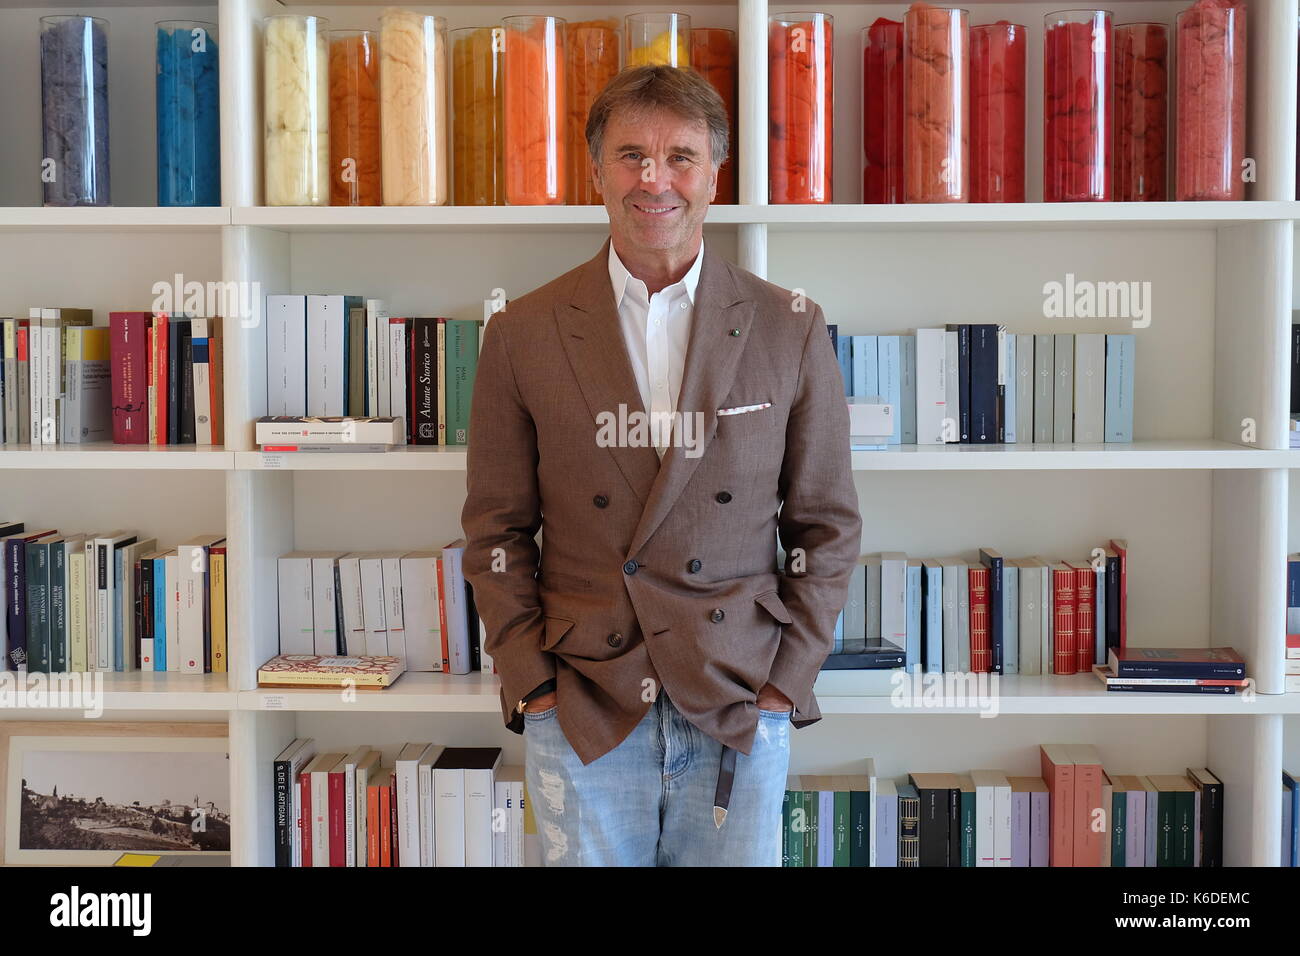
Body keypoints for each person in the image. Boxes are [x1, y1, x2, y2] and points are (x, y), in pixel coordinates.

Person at [461, 65, 861, 866]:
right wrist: (533, 687)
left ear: (714, 174)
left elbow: (827, 523)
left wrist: (785, 685)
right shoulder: (522, 331)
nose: (654, 179)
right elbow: (496, 532)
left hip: (739, 696)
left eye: (680, 156)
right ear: (597, 172)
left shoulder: (790, 326)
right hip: (582, 702)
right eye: (631, 155)